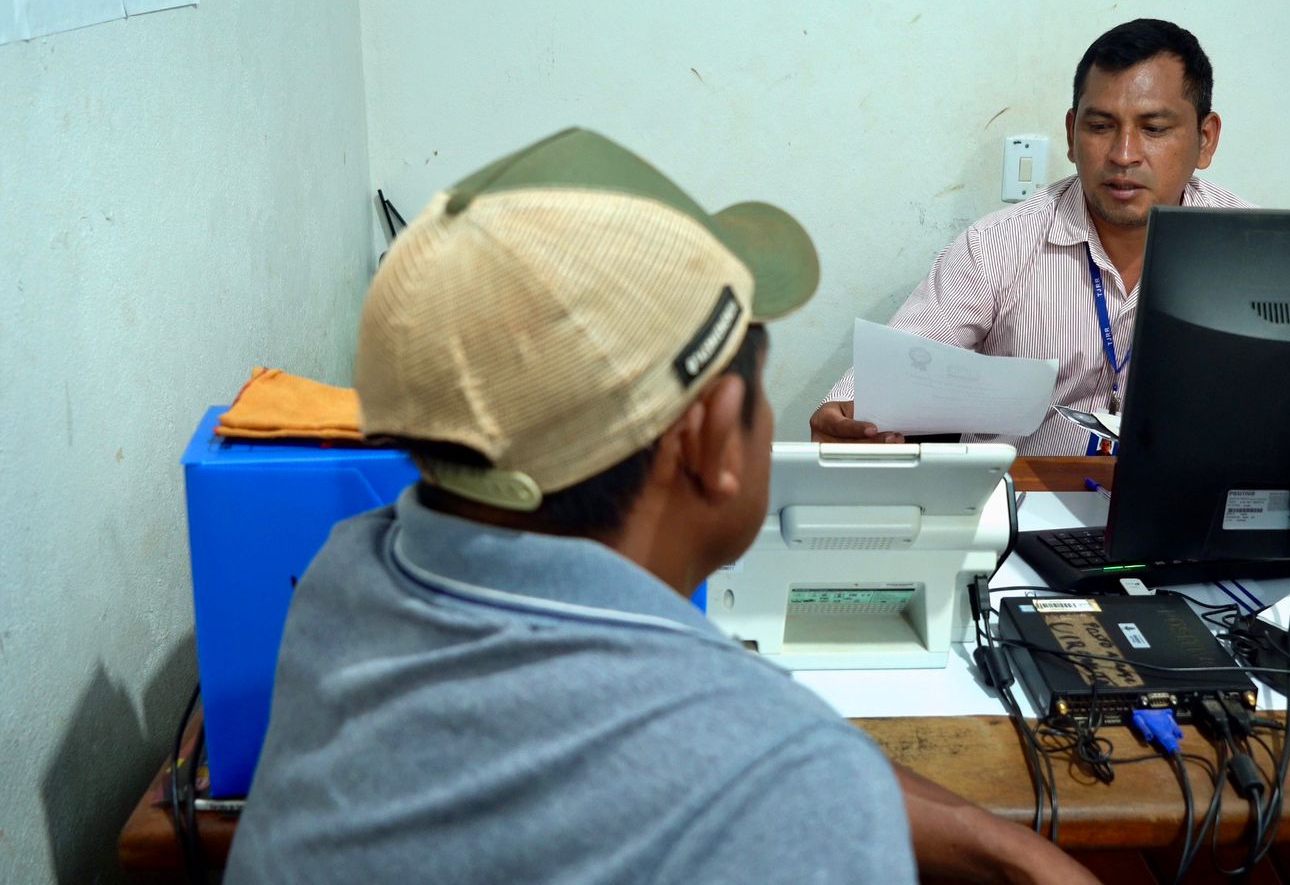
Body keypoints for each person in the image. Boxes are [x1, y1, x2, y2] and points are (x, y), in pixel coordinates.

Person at [225, 128, 1097, 884]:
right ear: (713, 438)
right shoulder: (792, 795)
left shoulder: (352, 573)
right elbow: (766, 769)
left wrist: (998, 850)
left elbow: (736, 749)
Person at [811, 18, 1251, 455]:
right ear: (1071, 133)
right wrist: (849, 415)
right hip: (1024, 505)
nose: (1123, 154)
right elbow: (889, 378)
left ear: (1205, 139)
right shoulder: (997, 248)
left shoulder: (1256, 253)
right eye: (1100, 127)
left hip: (1192, 511)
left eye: (1153, 129)